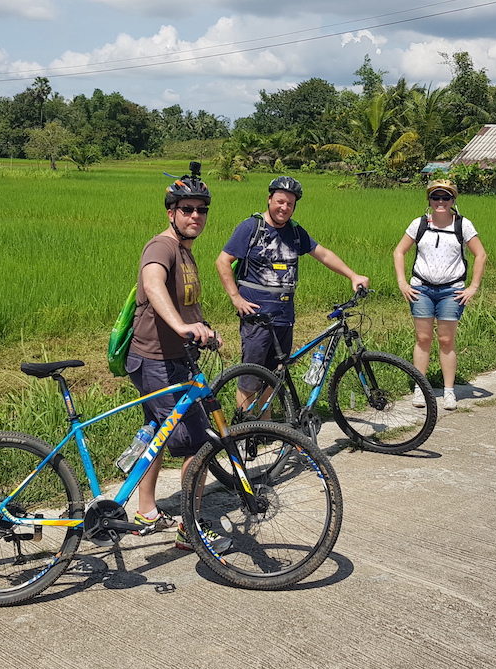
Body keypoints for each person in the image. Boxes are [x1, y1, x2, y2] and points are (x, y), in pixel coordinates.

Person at [126, 163, 227, 552]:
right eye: (187, 209)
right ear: (172, 212)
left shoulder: (185, 252)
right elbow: (153, 285)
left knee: (157, 432)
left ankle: (146, 512)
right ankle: (191, 526)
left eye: (201, 210)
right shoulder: (162, 246)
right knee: (198, 445)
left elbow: (188, 305)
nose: (195, 217)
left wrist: (204, 329)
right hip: (155, 360)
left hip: (169, 359)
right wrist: (183, 329)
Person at [215, 176, 369, 397]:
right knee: (250, 378)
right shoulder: (251, 227)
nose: (284, 208)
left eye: (289, 204)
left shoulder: (295, 232)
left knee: (274, 376)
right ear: (269, 200)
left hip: (284, 317)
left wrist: (353, 275)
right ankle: (245, 429)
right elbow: (223, 261)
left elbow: (323, 254)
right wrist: (235, 297)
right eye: (280, 201)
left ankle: (266, 428)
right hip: (256, 316)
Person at [392, 180, 487, 411]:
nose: (441, 202)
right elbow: (399, 251)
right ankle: (420, 388)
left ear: (454, 201)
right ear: (429, 201)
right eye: (436, 197)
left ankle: (448, 391)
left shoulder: (462, 225)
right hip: (421, 288)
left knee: (446, 341)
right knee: (423, 339)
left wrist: (473, 287)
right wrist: (402, 282)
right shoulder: (419, 224)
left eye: (446, 197)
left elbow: (481, 254)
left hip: (451, 291)